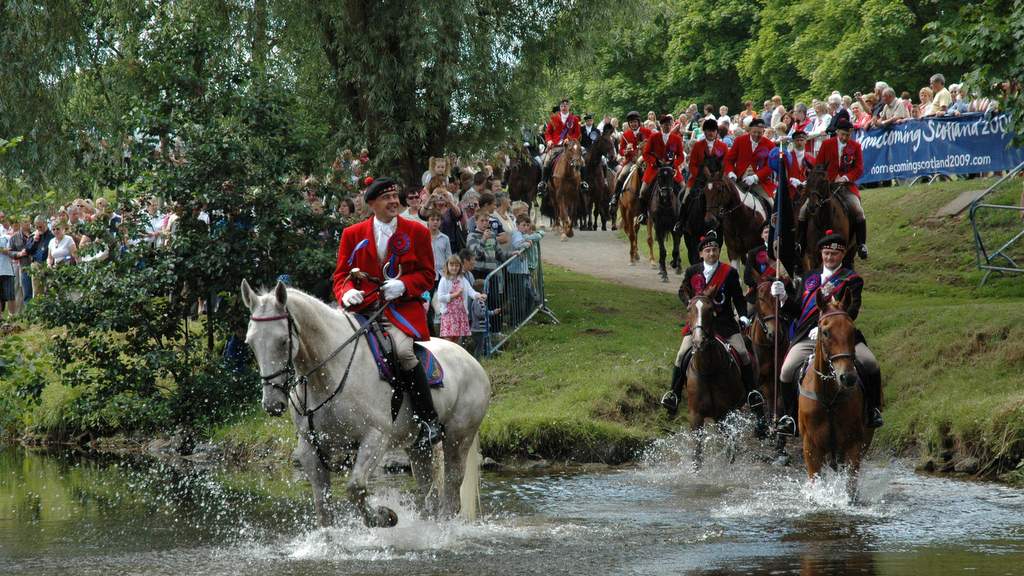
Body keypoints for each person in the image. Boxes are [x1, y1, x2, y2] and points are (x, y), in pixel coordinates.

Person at [331, 177, 443, 446]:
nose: (394, 201)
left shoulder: (416, 232)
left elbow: (428, 275)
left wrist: (404, 285)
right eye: (386, 198)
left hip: (399, 310)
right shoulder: (352, 234)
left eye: (395, 196)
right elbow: (341, 275)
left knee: (403, 353)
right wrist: (346, 292)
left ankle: (429, 421)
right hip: (361, 308)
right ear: (372, 204)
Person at [771, 230, 883, 428]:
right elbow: (798, 310)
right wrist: (783, 298)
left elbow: (852, 310)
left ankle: (873, 410)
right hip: (808, 336)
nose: (830, 257)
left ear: (842, 255)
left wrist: (824, 326)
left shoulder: (852, 279)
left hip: (841, 336)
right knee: (786, 370)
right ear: (821, 254)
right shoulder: (809, 277)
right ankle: (789, 418)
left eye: (835, 254)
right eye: (826, 253)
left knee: (870, 363)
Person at [661, 231, 758, 415]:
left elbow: (738, 298)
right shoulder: (692, 271)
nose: (712, 254)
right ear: (701, 254)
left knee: (744, 353)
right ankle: (674, 394)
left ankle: (752, 393)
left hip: (724, 324)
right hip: (699, 324)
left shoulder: (729, 272)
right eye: (708, 251)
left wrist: (744, 316)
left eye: (715, 250)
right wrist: (690, 304)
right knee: (682, 354)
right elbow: (682, 291)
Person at [804, 117, 868, 259]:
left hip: (846, 186)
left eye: (848, 134)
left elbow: (859, 169)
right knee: (804, 210)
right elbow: (819, 164)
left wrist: (846, 177)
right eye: (843, 134)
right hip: (826, 185)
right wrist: (822, 178)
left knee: (858, 211)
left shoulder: (855, 146)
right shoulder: (826, 144)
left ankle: (861, 244)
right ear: (837, 132)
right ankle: (801, 243)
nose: (845, 137)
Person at [637, 115, 684, 225]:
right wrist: (655, 162)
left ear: (671, 125)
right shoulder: (654, 137)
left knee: (683, 188)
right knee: (643, 190)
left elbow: (681, 156)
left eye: (668, 124)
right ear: (661, 126)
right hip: (655, 168)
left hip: (671, 169)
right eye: (664, 125)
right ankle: (643, 214)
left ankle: (683, 215)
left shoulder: (676, 138)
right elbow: (646, 153)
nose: (667, 126)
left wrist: (673, 164)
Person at [725, 118, 777, 207]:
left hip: (759, 182)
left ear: (763, 131)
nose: (756, 135)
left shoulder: (770, 145)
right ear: (749, 130)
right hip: (738, 180)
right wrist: (731, 173)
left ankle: (772, 221)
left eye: (759, 133)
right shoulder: (739, 141)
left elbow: (770, 166)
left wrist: (755, 177)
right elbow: (728, 160)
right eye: (754, 132)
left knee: (771, 205)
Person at [610, 111, 653, 212]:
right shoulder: (626, 134)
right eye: (631, 122)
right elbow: (621, 150)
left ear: (638, 122)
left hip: (645, 161)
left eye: (635, 122)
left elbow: (653, 145)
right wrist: (626, 151)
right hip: (631, 161)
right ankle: (615, 198)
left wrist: (645, 146)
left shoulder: (647, 132)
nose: (633, 124)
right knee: (622, 174)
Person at [436, 254, 484, 344]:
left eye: (456, 265)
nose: (454, 268)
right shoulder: (444, 280)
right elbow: (440, 297)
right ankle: (447, 357)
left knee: (457, 339)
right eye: (452, 265)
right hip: (449, 314)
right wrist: (454, 295)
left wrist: (478, 295)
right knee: (448, 339)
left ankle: (455, 357)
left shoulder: (462, 279)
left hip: (460, 314)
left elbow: (470, 291)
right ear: (447, 266)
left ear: (459, 267)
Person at [538, 98, 582, 194]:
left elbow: (577, 133)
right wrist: (549, 140)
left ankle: (583, 182)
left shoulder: (574, 119)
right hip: (556, 146)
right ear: (560, 107)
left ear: (569, 107)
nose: (564, 107)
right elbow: (548, 133)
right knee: (546, 161)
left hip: (570, 147)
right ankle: (543, 183)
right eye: (562, 106)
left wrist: (570, 139)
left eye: (566, 105)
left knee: (581, 161)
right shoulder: (553, 118)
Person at [683, 118, 728, 207]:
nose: (711, 133)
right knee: (685, 199)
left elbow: (726, 164)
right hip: (698, 180)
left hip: (717, 181)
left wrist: (718, 177)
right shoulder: (697, 145)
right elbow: (692, 165)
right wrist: (701, 177)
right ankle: (682, 219)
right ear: (704, 132)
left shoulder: (723, 146)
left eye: (713, 131)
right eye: (708, 131)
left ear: (717, 132)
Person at [783, 130, 816, 200]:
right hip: (790, 192)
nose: (799, 142)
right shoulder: (786, 157)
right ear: (793, 141)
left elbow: (815, 176)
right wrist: (791, 181)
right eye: (797, 140)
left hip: (806, 193)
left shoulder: (812, 159)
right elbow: (782, 176)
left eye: (802, 140)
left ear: (805, 141)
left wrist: (807, 182)